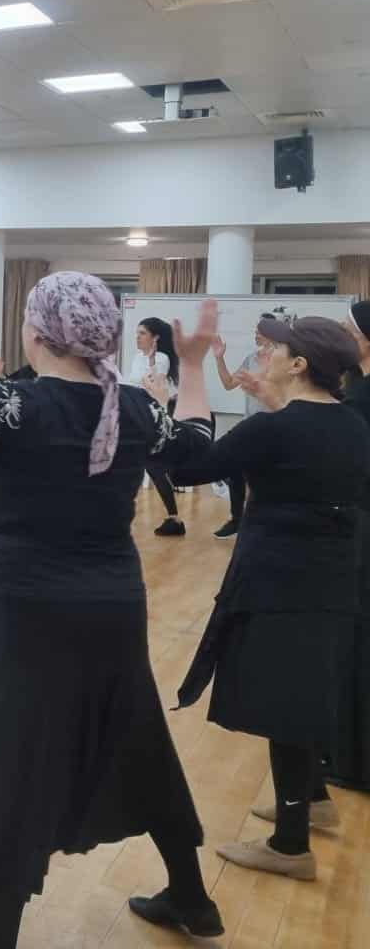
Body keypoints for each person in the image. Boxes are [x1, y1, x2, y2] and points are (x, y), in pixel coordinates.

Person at [0, 263, 222, 948]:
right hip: (115, 609)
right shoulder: (135, 406)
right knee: (137, 743)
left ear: (36, 334)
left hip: (27, 611)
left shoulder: (14, 403)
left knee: (9, 767)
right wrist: (193, 365)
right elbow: (198, 452)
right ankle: (191, 896)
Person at [169, 312, 370, 882]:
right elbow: (312, 451)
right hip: (333, 581)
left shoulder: (273, 429)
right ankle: (313, 803)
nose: (264, 355)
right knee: (302, 696)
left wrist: (188, 380)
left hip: (281, 583)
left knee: (286, 707)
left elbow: (187, 467)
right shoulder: (353, 424)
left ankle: (290, 845)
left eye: (273, 350)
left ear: (298, 363)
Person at [331, 300, 370, 791]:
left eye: (348, 329)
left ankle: (354, 762)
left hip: (361, 528)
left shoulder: (360, 401)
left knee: (358, 638)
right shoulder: (356, 392)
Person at [210, 316, 277, 540]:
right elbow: (229, 384)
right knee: (234, 468)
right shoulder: (251, 359)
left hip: (274, 425)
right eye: (255, 330)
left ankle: (265, 524)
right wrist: (219, 358)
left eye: (258, 331)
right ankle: (237, 519)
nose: (255, 334)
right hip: (251, 424)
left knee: (266, 477)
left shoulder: (283, 359)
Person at [127, 317, 184, 537]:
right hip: (136, 413)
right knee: (146, 465)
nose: (137, 337)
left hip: (153, 416)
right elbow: (132, 384)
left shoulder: (161, 358)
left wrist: (151, 361)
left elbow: (154, 385)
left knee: (154, 466)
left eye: (142, 333)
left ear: (155, 338)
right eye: (137, 333)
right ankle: (173, 517)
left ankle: (174, 518)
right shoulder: (136, 358)